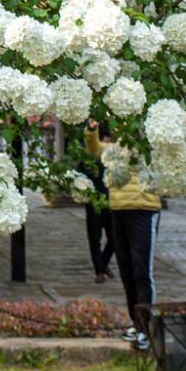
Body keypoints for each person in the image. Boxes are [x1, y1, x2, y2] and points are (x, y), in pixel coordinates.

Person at [105, 154, 163, 351]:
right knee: (127, 273)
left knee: (142, 272)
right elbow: (96, 149)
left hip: (144, 210)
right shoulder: (116, 148)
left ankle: (146, 328)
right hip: (119, 209)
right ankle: (136, 323)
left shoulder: (149, 144)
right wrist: (91, 130)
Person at [82, 121, 114, 282]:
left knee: (114, 238)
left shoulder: (115, 156)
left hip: (112, 202)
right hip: (94, 202)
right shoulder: (90, 155)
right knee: (95, 238)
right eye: (105, 141)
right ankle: (99, 270)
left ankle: (103, 262)